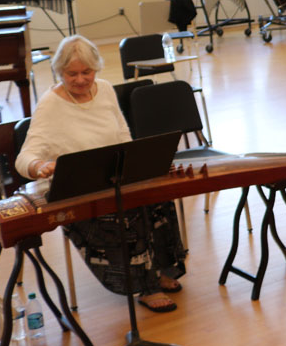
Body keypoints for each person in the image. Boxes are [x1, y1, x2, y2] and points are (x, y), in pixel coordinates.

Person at [15, 35, 187, 312]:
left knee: (159, 200)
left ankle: (162, 270)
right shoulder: (50, 104)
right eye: (72, 74)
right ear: (59, 72)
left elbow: (122, 135)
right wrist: (39, 166)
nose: (81, 80)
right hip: (79, 191)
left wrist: (138, 166)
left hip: (115, 179)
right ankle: (145, 286)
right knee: (126, 214)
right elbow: (25, 157)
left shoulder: (105, 89)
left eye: (88, 72)